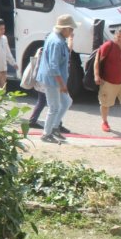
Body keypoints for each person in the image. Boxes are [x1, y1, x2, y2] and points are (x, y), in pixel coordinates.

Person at [36, 14, 78, 143]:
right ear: (64, 29)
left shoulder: (57, 39)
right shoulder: (57, 42)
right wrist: (62, 84)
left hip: (55, 80)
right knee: (54, 107)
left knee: (66, 102)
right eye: (70, 29)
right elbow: (54, 66)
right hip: (52, 80)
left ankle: (54, 128)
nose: (72, 32)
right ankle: (46, 134)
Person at [28, 34, 72, 133]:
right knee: (53, 105)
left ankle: (52, 125)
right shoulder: (45, 51)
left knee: (51, 103)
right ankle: (51, 128)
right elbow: (41, 66)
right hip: (45, 81)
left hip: (44, 80)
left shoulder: (45, 50)